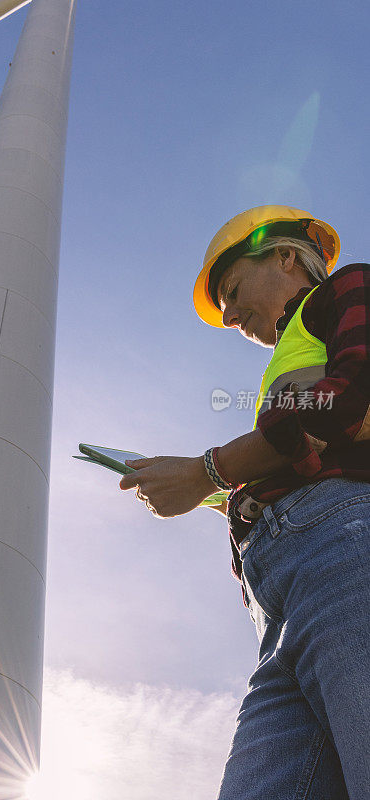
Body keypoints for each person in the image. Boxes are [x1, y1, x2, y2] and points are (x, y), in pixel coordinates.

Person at [119, 205, 370, 800]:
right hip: (279, 604)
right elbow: (304, 444)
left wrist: (210, 469)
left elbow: (348, 403)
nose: (229, 314)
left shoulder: (348, 288)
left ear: (285, 256)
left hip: (343, 553)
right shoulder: (294, 354)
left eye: (232, 291)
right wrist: (213, 487)